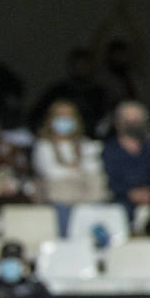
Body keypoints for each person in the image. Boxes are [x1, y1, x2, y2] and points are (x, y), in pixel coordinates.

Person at [32, 99, 106, 232]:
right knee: (60, 199)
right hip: (59, 197)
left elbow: (95, 169)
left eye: (68, 115)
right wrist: (77, 170)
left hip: (86, 196)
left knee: (98, 191)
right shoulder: (43, 146)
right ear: (51, 120)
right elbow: (51, 173)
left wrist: (70, 171)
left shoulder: (86, 144)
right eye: (60, 115)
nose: (64, 119)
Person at [101, 100, 150, 232]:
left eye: (138, 119)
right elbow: (110, 179)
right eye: (130, 120)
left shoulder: (149, 149)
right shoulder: (110, 149)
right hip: (122, 198)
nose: (135, 124)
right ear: (119, 122)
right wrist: (130, 193)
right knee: (121, 211)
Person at [30, 48, 111, 139]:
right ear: (71, 66)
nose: (81, 68)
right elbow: (37, 116)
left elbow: (106, 120)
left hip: (89, 139)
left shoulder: (100, 92)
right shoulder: (58, 90)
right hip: (58, 139)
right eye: (78, 64)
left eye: (85, 64)